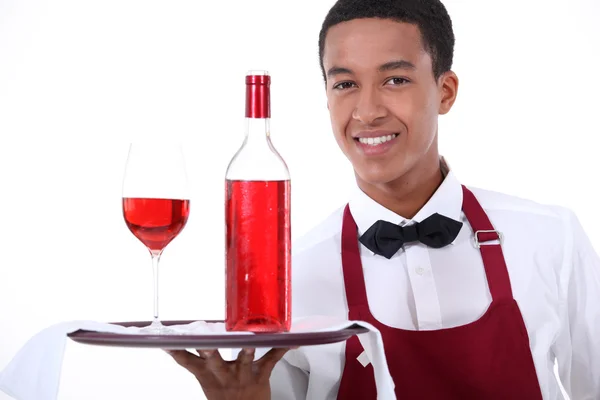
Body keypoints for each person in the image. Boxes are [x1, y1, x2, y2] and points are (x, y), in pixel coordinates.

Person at [166, 0, 600, 398]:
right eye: (345, 84)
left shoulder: (550, 238)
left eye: (395, 79)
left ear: (445, 91)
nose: (367, 110)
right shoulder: (293, 279)